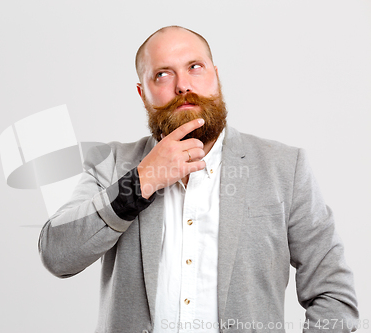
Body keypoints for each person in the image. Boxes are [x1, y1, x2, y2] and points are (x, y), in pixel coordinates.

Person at [38, 26, 358, 333]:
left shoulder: (285, 168)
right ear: (142, 93)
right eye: (162, 74)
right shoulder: (110, 163)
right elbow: (56, 256)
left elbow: (333, 291)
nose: (183, 85)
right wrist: (141, 181)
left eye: (195, 67)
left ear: (216, 76)